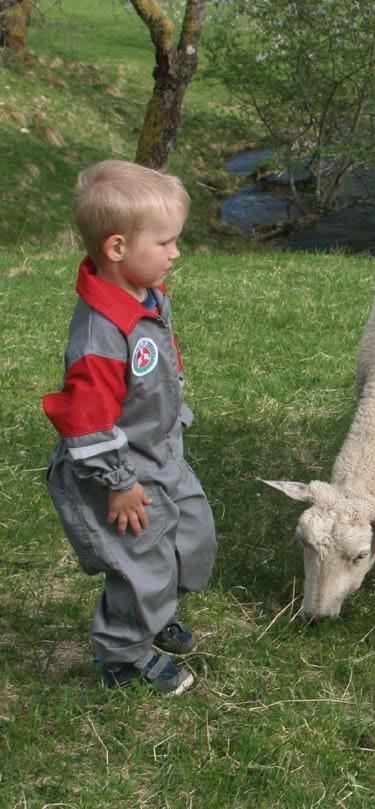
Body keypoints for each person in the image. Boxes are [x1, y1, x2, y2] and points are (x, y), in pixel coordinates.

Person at [42, 160, 216, 695]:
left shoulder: (145, 293)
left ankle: (158, 613)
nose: (175, 252)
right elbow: (86, 423)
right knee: (141, 562)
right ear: (117, 248)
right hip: (119, 472)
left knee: (192, 537)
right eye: (164, 242)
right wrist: (118, 485)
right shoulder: (99, 337)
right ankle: (124, 656)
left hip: (161, 452)